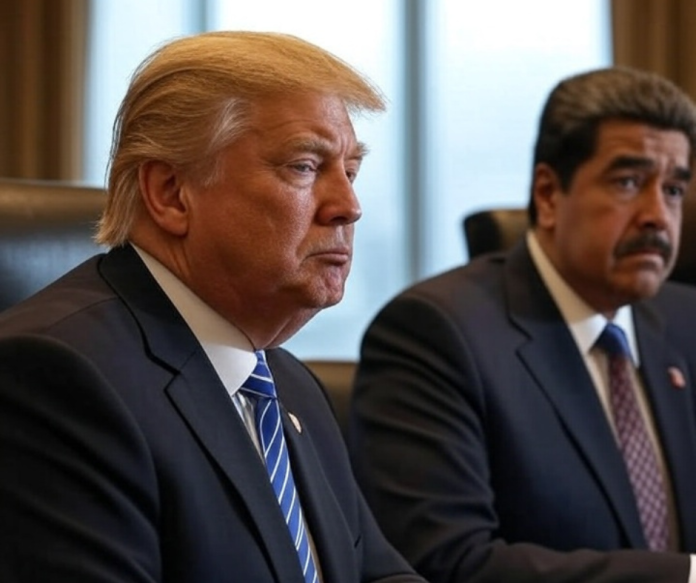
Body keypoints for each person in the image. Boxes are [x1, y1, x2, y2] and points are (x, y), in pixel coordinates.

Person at [0, 31, 427, 583]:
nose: (349, 206)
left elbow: (377, 573)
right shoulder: (56, 379)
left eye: (350, 171)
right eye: (304, 166)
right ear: (171, 193)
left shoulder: (288, 384)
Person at [349, 66, 696, 583]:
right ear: (549, 194)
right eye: (628, 183)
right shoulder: (436, 333)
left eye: (673, 189)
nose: (657, 216)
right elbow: (445, 562)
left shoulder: (688, 320)